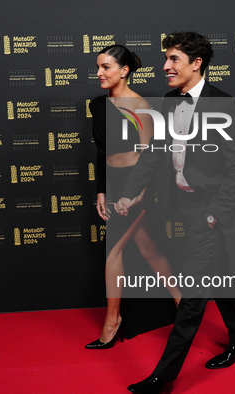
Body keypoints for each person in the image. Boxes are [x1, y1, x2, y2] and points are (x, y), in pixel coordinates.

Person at [115, 32, 235, 393]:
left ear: (197, 64)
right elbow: (154, 155)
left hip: (209, 211)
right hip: (185, 206)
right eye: (166, 59)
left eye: (174, 59)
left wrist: (213, 215)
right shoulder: (168, 101)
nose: (165, 66)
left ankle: (163, 377)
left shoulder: (226, 106)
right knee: (220, 275)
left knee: (192, 297)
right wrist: (130, 194)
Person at [86, 45, 182, 349]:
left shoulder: (140, 106)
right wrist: (102, 189)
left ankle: (112, 323)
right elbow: (102, 152)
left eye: (106, 67)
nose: (99, 73)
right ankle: (187, 307)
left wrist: (136, 194)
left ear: (124, 71)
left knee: (112, 251)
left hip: (135, 184)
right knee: (149, 250)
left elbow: (150, 157)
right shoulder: (97, 105)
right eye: (98, 67)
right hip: (113, 183)